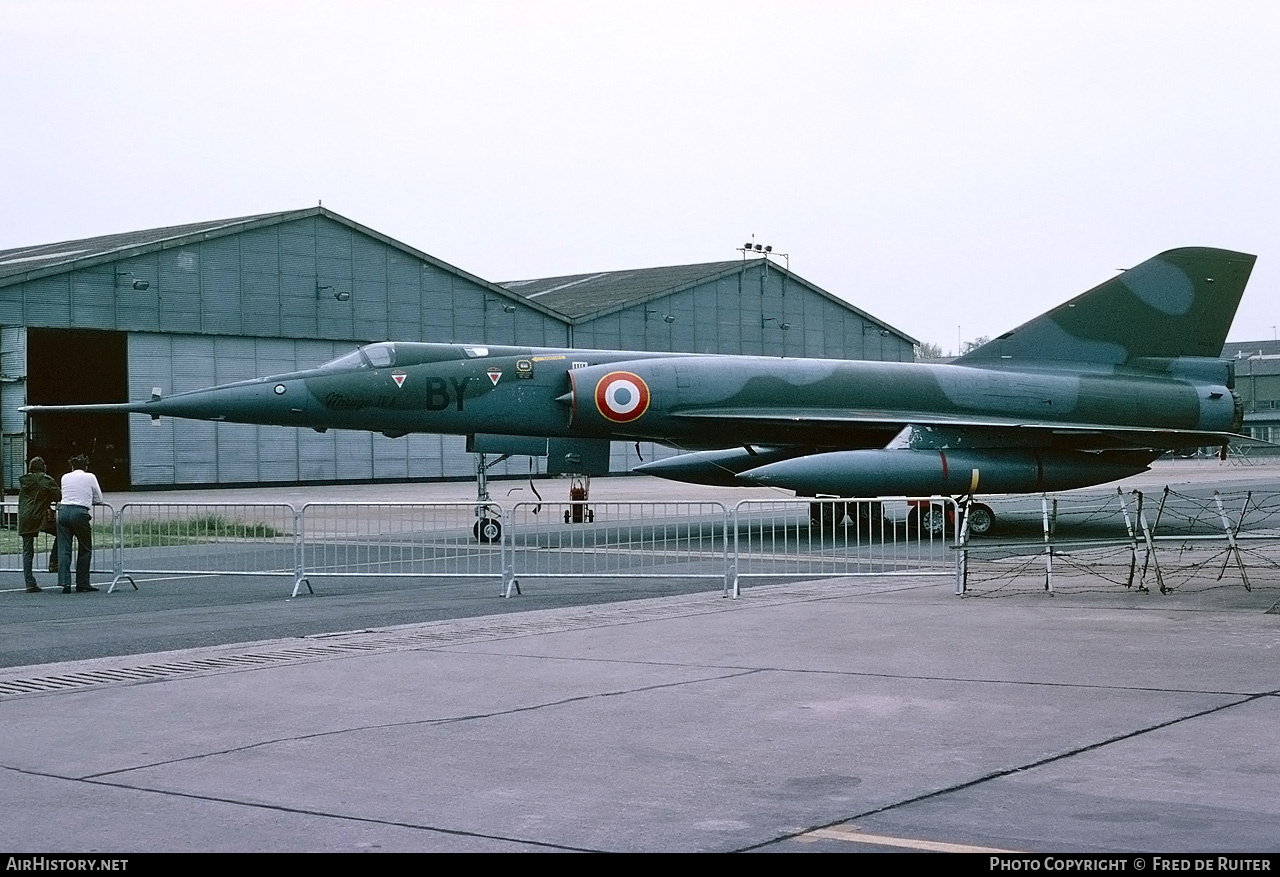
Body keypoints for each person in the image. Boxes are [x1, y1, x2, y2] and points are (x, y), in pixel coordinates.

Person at [58, 454, 103, 593]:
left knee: (64, 549)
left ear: (72, 466)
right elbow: (99, 498)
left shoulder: (64, 477)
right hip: (80, 513)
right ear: (86, 466)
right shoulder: (90, 477)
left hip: (63, 511)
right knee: (85, 548)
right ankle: (82, 583)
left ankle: (65, 583)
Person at [17, 457, 60, 593]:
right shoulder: (45, 480)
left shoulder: (25, 481)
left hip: (24, 517)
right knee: (61, 532)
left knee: (27, 551)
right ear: (42, 467)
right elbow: (58, 495)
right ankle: (54, 561)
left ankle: (29, 582)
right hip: (39, 516)